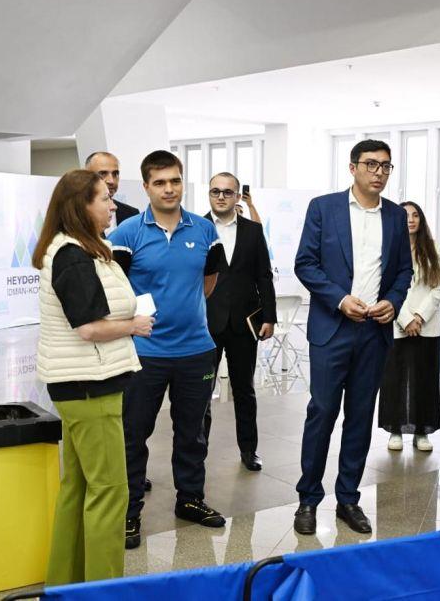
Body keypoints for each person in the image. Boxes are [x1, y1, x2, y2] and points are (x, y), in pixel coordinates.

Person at [32, 169, 152, 583]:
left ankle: (66, 586)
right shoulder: (72, 255)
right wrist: (134, 326)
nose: (113, 205)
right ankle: (104, 590)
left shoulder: (82, 248)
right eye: (104, 198)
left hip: (83, 385)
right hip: (90, 387)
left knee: (80, 487)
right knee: (110, 492)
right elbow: (87, 327)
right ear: (80, 206)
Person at [292, 139, 412, 535]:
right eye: (371, 164)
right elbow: (305, 264)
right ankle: (308, 499)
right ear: (353, 167)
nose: (379, 172)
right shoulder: (323, 208)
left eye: (386, 166)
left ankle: (348, 498)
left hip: (374, 332)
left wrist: (393, 301)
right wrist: (339, 299)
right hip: (332, 328)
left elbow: (404, 271)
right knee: (322, 413)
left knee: (360, 418)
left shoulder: (395, 216)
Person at [109, 150, 227, 549]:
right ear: (146, 187)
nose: (169, 189)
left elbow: (208, 282)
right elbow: (115, 290)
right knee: (133, 434)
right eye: (159, 182)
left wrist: (184, 309)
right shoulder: (126, 234)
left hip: (196, 350)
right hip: (145, 352)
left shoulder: (205, 230)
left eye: (175, 180)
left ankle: (190, 499)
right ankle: (129, 512)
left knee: (193, 433)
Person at [203, 172, 277, 472]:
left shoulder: (253, 231)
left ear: (237, 197)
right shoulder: (196, 227)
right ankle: (197, 452)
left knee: (244, 390)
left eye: (227, 192)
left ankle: (249, 450)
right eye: (215, 191)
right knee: (201, 392)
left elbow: (264, 276)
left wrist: (269, 316)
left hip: (243, 324)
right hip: (205, 323)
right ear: (209, 194)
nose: (221, 197)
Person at [378, 201, 440, 452]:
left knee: (424, 379)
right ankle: (395, 430)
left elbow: (439, 287)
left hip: (427, 325)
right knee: (395, 378)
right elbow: (385, 288)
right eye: (406, 215)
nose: (411, 220)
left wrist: (420, 316)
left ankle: (421, 431)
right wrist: (405, 318)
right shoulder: (389, 248)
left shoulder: (432, 248)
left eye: (416, 215)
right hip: (397, 323)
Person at [85, 151, 139, 228]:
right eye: (103, 173)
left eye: (115, 174)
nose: (111, 181)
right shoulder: (76, 215)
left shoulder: (132, 214)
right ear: (87, 175)